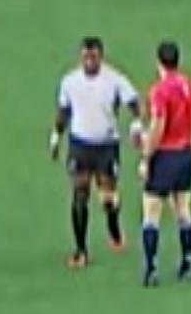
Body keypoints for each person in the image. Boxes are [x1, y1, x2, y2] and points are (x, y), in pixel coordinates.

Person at [49, 36, 143, 268]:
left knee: (107, 199)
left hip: (106, 146)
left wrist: (138, 123)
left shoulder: (115, 80)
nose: (89, 61)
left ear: (101, 56)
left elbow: (134, 103)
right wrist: (56, 136)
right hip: (80, 145)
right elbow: (64, 111)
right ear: (81, 57)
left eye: (94, 56)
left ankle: (114, 228)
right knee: (79, 195)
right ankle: (81, 251)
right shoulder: (70, 81)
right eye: (86, 57)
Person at [138, 41, 191, 287]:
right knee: (183, 210)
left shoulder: (160, 91)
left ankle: (151, 267)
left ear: (158, 61)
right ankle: (187, 260)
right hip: (186, 153)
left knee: (151, 213)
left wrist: (145, 156)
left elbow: (159, 126)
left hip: (165, 155)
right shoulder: (189, 86)